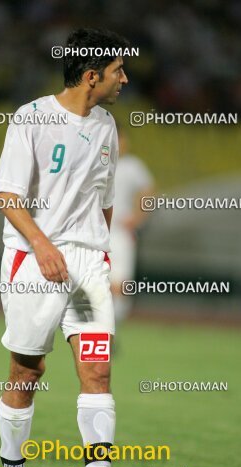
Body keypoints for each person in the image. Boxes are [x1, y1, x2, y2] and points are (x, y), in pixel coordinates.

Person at [0, 28, 139, 467]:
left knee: (97, 372)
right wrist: (42, 246)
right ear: (92, 76)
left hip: (87, 264)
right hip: (35, 258)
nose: (125, 78)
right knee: (26, 370)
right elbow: (7, 197)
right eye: (118, 70)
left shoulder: (106, 127)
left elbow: (105, 202)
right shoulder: (30, 118)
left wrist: (99, 255)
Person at [110, 125, 155, 322]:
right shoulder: (96, 163)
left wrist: (137, 218)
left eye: (123, 139)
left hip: (120, 231)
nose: (123, 143)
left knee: (122, 282)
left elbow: (149, 191)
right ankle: (101, 324)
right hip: (96, 230)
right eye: (119, 139)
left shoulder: (133, 165)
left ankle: (114, 326)